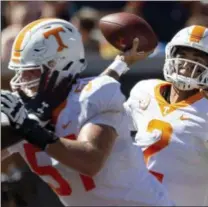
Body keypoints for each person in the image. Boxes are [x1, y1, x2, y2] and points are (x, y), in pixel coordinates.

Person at [1, 18, 172, 206]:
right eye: (20, 71)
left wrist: (30, 128)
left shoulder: (98, 94)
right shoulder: (23, 111)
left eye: (31, 72)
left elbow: (90, 161)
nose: (22, 80)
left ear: (61, 64)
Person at [102, 25, 208, 205]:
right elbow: (95, 106)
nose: (187, 63)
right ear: (170, 55)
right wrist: (120, 63)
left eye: (198, 58)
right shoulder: (145, 91)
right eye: (182, 55)